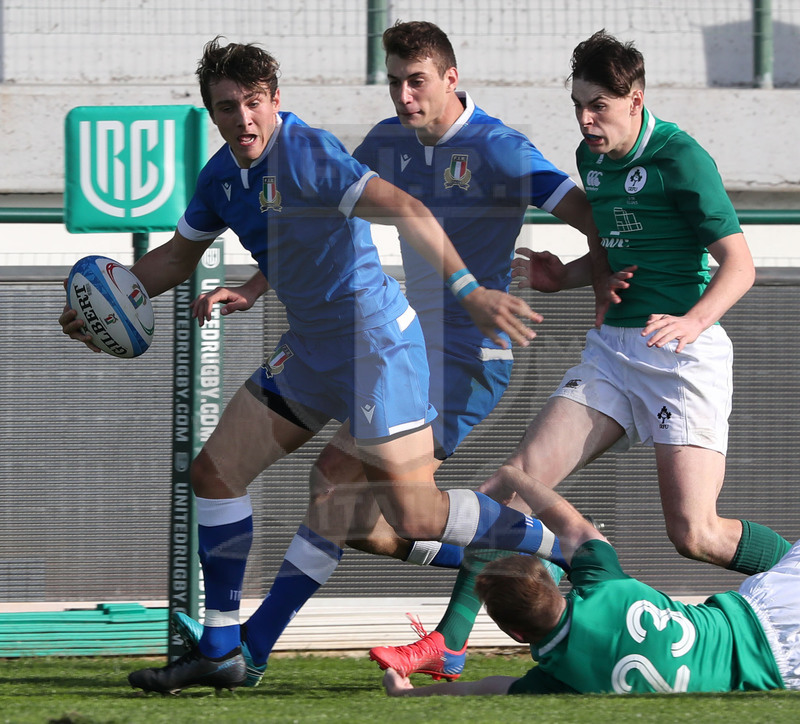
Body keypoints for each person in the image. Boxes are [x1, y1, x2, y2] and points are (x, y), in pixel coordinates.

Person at [59, 36, 579, 695]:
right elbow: (174, 259)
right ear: (212, 113)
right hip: (310, 352)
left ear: (275, 100)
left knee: (409, 514)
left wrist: (470, 291)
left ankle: (567, 548)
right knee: (215, 474)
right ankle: (222, 649)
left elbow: (411, 210)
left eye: (254, 103)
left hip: (378, 350)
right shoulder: (220, 179)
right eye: (227, 107)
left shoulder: (310, 154)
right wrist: (111, 301)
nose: (243, 118)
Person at [370, 28, 793, 681]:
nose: (587, 121)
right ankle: (448, 644)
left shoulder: (683, 158)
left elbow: (740, 265)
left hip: (683, 357)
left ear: (636, 99)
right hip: (614, 352)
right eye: (578, 106)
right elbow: (617, 251)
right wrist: (562, 276)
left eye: (599, 106)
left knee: (696, 534)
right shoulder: (591, 159)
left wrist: (691, 321)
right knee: (513, 484)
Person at [382, 464, 800, 696]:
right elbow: (575, 527)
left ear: (515, 633)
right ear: (553, 582)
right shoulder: (604, 586)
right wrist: (514, 475)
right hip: (764, 605)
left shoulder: (563, 676)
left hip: (780, 669)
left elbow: (488, 688)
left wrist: (407, 694)